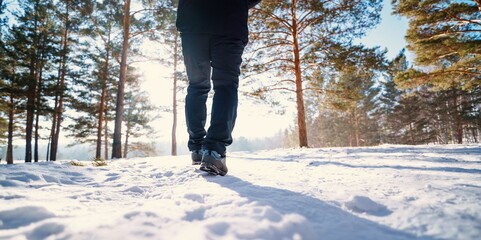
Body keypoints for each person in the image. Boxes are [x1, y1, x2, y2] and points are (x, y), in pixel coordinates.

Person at [176, 0, 261, 176]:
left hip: (193, 22)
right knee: (226, 85)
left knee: (197, 86)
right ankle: (214, 151)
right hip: (229, 20)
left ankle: (198, 147)